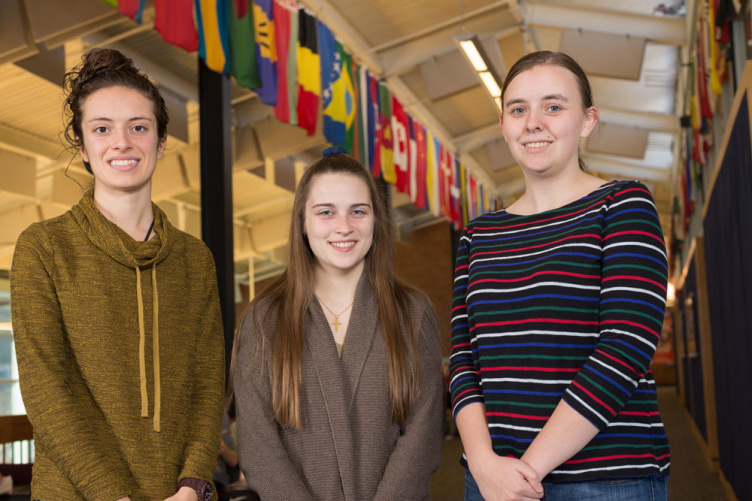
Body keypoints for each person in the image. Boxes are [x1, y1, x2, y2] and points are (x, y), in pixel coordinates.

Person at [449, 51, 670, 501]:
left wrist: (526, 473)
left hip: (607, 481)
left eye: (553, 106)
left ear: (587, 120)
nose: (533, 122)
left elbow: (626, 347)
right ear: (504, 124)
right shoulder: (478, 235)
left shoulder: (623, 205)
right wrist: (483, 463)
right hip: (491, 480)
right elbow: (462, 361)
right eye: (518, 109)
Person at [11, 48, 225, 501]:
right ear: (82, 146)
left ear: (161, 142)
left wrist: (192, 485)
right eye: (102, 128)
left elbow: (209, 386)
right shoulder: (44, 248)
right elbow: (46, 393)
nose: (121, 142)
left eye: (139, 127)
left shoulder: (195, 260)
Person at [232, 148, 445, 500]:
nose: (344, 226)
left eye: (358, 211)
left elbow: (422, 437)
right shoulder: (265, 318)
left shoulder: (412, 313)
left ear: (376, 220)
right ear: (303, 221)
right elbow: (259, 446)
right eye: (326, 212)